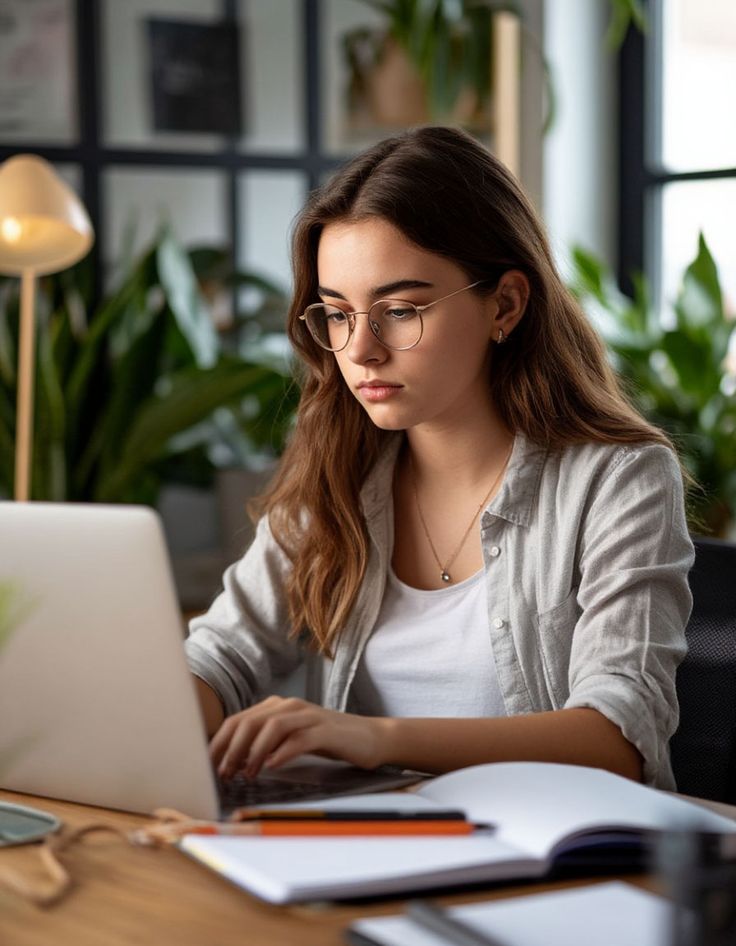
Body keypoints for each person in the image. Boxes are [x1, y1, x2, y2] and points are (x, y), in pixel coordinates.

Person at [185, 125, 693, 791]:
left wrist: (373, 738)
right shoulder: (339, 474)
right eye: (337, 315)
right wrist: (152, 717)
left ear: (505, 305)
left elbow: (618, 735)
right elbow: (220, 656)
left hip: (563, 861)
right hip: (380, 851)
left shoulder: (618, 481)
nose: (360, 350)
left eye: (399, 310)